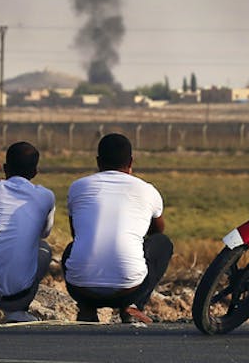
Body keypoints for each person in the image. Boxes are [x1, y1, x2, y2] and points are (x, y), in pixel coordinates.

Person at [62, 133, 173, 323]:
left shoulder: (78, 187)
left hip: (80, 289)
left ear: (98, 161)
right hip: (129, 290)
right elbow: (158, 231)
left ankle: (87, 308)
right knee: (163, 243)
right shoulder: (147, 190)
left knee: (73, 247)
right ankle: (133, 306)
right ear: (131, 161)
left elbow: (76, 233)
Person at [0, 141, 55, 323]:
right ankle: (18, 311)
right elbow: (44, 233)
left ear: (5, 168)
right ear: (35, 172)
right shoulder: (46, 196)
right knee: (43, 248)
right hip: (18, 297)